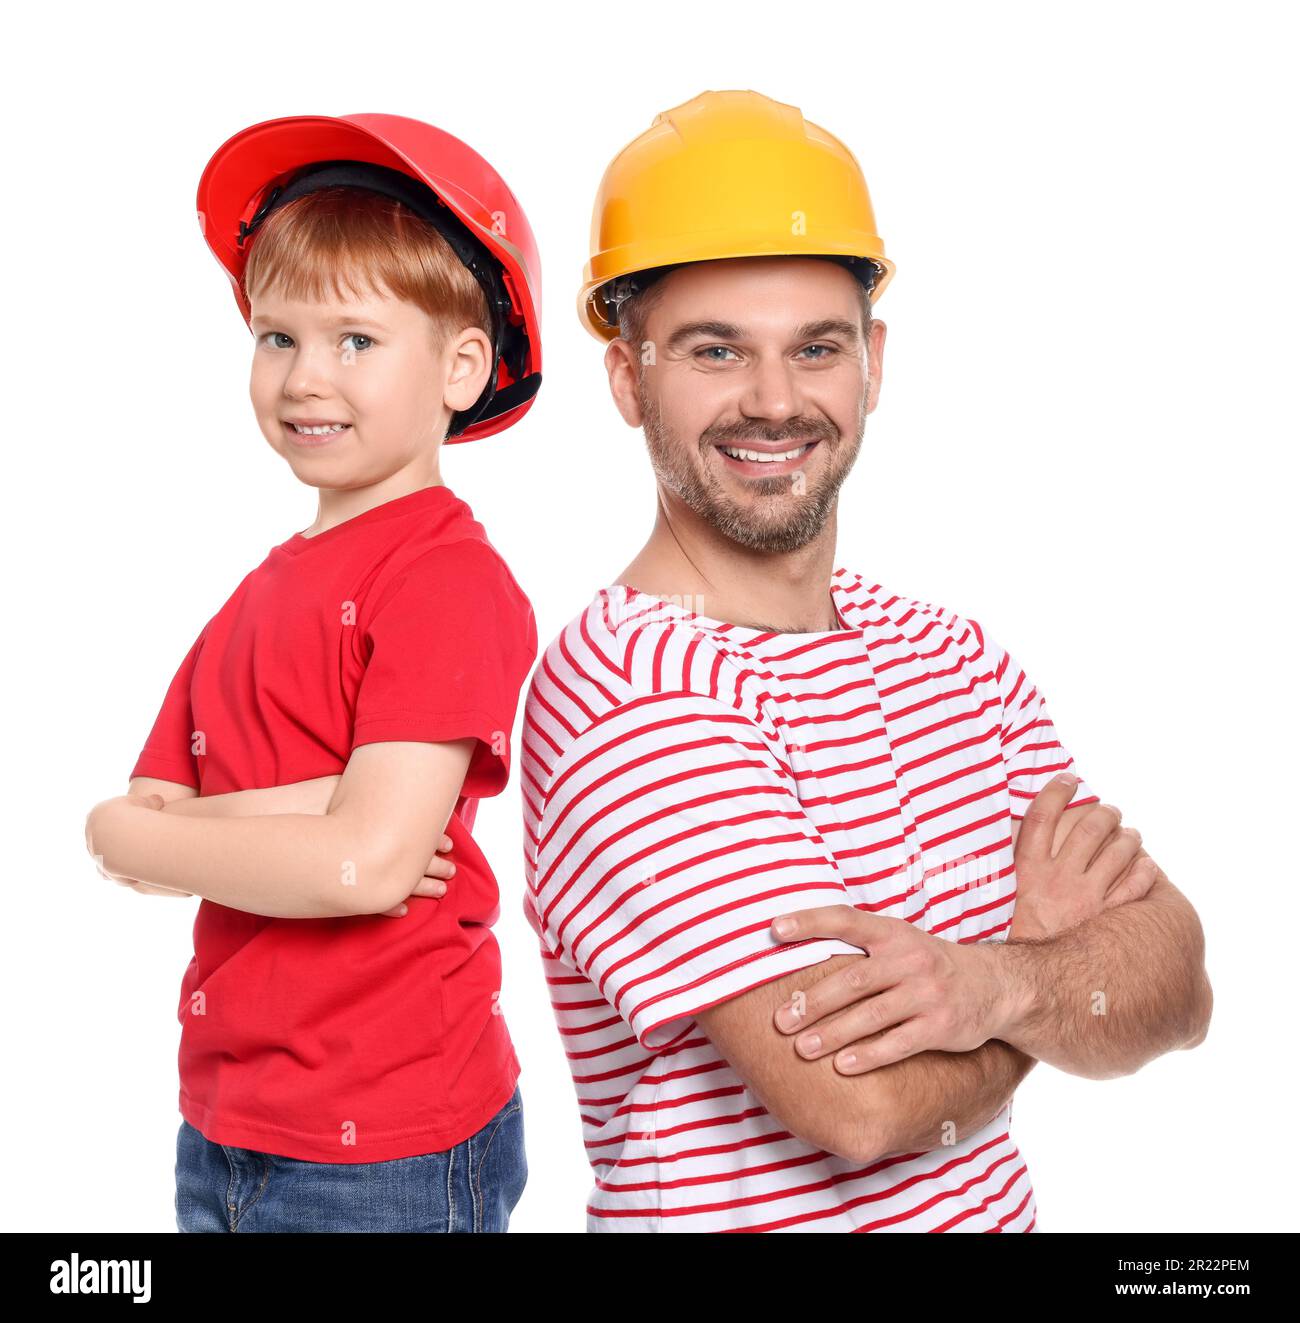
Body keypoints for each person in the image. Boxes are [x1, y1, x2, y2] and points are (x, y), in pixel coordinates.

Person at [521, 89, 1212, 1232]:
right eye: (714, 351)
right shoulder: (629, 699)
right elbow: (862, 1109)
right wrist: (1047, 958)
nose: (776, 402)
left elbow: (1178, 985)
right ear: (628, 376)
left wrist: (990, 984)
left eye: (817, 348)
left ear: (873, 364)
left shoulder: (950, 654)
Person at [83, 113, 542, 1233]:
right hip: (227, 1123)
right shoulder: (254, 595)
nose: (302, 377)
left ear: (460, 367)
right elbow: (124, 833)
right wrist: (328, 808)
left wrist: (308, 835)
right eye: (276, 337)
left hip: (384, 1143)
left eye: (355, 340)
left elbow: (360, 871)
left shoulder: (445, 579)